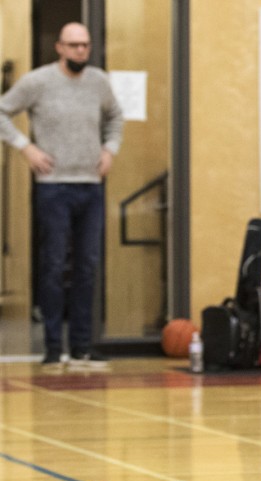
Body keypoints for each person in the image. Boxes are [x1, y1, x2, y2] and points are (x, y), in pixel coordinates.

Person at [0, 22, 123, 368]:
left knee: (86, 265)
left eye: (85, 45)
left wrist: (109, 149)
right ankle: (54, 347)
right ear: (59, 47)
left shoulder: (99, 82)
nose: (80, 51)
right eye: (73, 45)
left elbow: (115, 117)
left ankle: (82, 346)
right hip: (53, 186)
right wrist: (26, 148)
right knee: (54, 265)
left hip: (90, 185)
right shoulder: (37, 82)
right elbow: (2, 112)